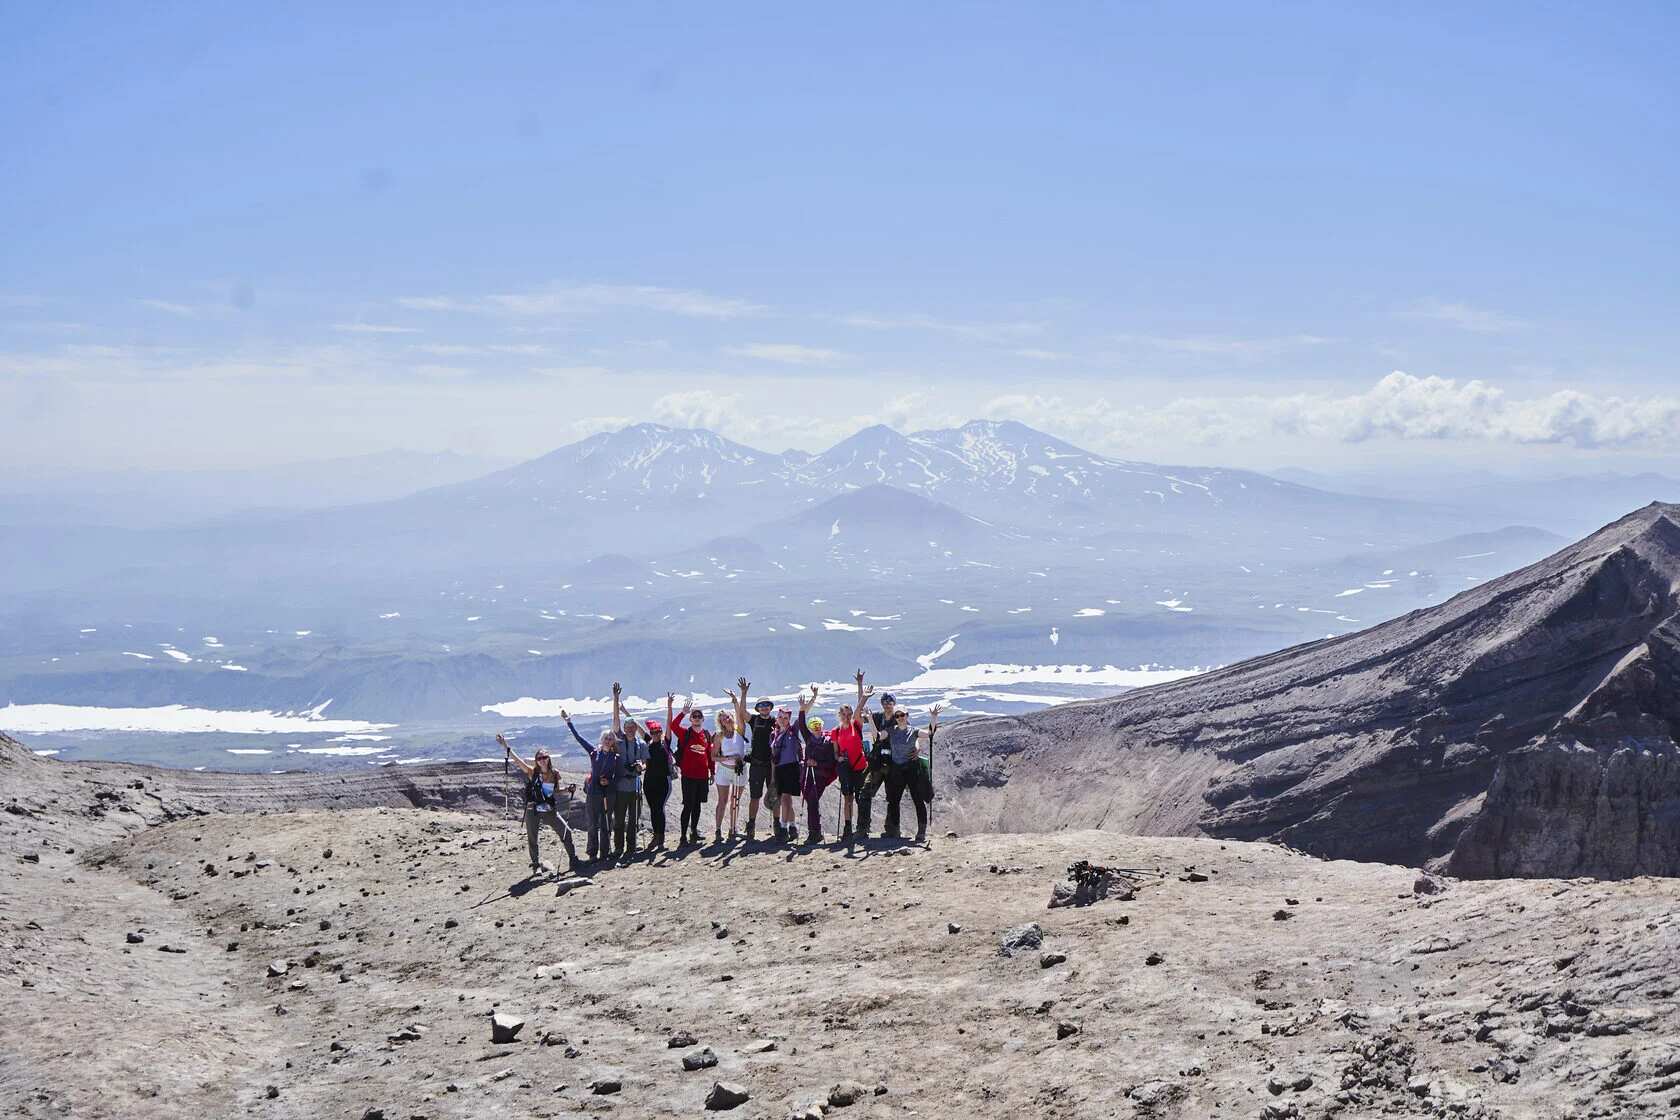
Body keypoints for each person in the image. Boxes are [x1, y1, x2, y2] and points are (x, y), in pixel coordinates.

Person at [498, 732, 581, 877]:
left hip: (549, 809)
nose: (542, 760)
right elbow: (517, 761)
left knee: (565, 832)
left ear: (549, 759)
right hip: (533, 809)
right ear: (536, 761)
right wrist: (505, 745)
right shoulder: (532, 772)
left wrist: (567, 789)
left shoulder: (554, 773)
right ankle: (536, 866)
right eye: (539, 758)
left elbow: (555, 791)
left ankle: (573, 860)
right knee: (533, 838)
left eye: (545, 757)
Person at [565, 696, 623, 863]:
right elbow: (579, 739)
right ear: (601, 740)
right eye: (606, 738)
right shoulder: (593, 752)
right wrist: (569, 723)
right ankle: (592, 853)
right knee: (592, 824)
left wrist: (609, 782)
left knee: (605, 823)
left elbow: (619, 776)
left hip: (608, 793)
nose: (608, 740)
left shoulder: (616, 757)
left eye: (611, 739)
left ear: (613, 742)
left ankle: (604, 853)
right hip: (593, 792)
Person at [883, 703, 941, 843]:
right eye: (897, 716)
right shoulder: (891, 731)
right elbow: (877, 736)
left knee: (917, 799)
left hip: (912, 769)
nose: (900, 717)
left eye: (902, 715)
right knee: (894, 801)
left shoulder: (914, 731)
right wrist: (870, 719)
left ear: (907, 715)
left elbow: (930, 733)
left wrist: (933, 717)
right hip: (897, 770)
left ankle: (921, 832)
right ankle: (895, 830)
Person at [830, 671, 873, 844]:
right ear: (839, 715)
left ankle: (862, 828)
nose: (847, 717)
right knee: (847, 797)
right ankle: (847, 828)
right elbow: (835, 752)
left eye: (849, 714)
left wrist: (860, 686)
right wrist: (838, 758)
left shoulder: (856, 725)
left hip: (860, 766)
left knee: (861, 797)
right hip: (846, 767)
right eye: (844, 714)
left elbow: (859, 709)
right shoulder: (836, 731)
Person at [667, 692, 713, 848]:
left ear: (703, 719)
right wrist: (683, 713)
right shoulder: (685, 733)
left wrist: (712, 772)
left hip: (702, 776)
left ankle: (694, 831)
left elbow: (709, 755)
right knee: (688, 805)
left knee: (697, 805)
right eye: (694, 716)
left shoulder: (706, 735)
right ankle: (682, 836)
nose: (697, 718)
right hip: (688, 776)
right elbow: (673, 726)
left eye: (699, 716)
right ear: (691, 719)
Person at [855, 672, 897, 838]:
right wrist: (862, 691)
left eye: (890, 702)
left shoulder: (899, 719)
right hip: (877, 762)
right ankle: (863, 828)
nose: (887, 705)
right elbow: (858, 715)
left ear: (894, 704)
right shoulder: (878, 716)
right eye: (885, 702)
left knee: (892, 796)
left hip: (893, 762)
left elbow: (879, 736)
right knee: (865, 793)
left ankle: (892, 829)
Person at [796, 684, 838, 845]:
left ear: (822, 726)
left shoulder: (828, 742)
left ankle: (815, 833)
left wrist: (817, 763)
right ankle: (815, 831)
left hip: (820, 776)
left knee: (813, 800)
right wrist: (802, 708)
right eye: (813, 726)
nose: (816, 728)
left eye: (818, 725)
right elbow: (801, 724)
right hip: (806, 775)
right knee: (810, 802)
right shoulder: (808, 738)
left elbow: (830, 761)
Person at [612, 690, 647, 860]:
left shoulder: (641, 744)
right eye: (628, 728)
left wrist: (641, 766)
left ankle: (631, 847)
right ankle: (618, 847)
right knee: (619, 820)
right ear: (624, 729)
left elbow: (646, 762)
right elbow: (615, 721)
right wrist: (616, 699)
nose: (631, 730)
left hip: (635, 786)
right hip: (621, 787)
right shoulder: (619, 741)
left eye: (633, 727)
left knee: (633, 819)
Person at [712, 687, 751, 843]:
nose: (726, 719)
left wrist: (736, 700)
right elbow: (713, 757)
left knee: (736, 801)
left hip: (740, 770)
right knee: (722, 801)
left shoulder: (740, 731)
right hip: (724, 770)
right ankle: (718, 830)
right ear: (720, 722)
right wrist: (729, 757)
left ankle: (733, 829)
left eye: (728, 716)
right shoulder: (719, 736)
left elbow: (740, 715)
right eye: (723, 718)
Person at [631, 715, 675, 850]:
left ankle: (660, 839)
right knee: (653, 810)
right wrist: (624, 711)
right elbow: (638, 727)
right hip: (649, 782)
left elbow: (669, 724)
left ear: (661, 732)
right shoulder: (648, 743)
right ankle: (656, 837)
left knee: (659, 809)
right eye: (653, 732)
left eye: (658, 731)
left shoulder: (665, 743)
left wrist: (669, 707)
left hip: (663, 782)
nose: (655, 734)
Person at [742, 679, 777, 840]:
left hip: (771, 765)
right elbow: (742, 713)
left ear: (770, 707)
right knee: (754, 797)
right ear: (758, 708)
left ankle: (777, 825)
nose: (764, 707)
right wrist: (744, 693)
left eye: (767, 705)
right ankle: (751, 825)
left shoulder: (775, 722)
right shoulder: (754, 720)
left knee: (774, 795)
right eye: (761, 706)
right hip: (756, 764)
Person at [769, 704, 802, 842]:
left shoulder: (793, 730)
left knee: (785, 798)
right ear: (777, 718)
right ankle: (793, 827)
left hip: (791, 768)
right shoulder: (774, 734)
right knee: (786, 800)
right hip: (779, 770)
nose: (782, 720)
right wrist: (772, 776)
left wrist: (805, 705)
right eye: (780, 717)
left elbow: (802, 716)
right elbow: (773, 756)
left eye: (785, 718)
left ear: (789, 719)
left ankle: (783, 829)